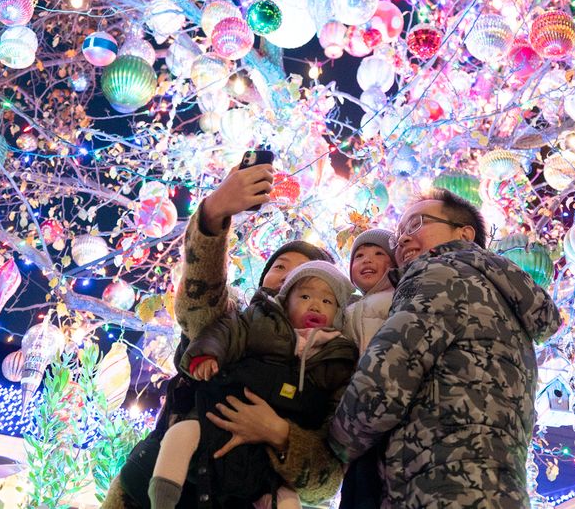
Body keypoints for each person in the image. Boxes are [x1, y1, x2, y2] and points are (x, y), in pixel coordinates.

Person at [103, 164, 349, 509]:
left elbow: (326, 481)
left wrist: (278, 432)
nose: (287, 278)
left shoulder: (336, 359)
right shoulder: (235, 321)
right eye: (280, 267)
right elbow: (197, 304)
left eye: (305, 278)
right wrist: (213, 215)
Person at [329, 189, 563, 508]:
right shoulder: (504, 301)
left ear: (464, 233)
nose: (402, 240)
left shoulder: (441, 272)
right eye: (399, 234)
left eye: (417, 224)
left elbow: (383, 383)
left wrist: (331, 444)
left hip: (438, 488)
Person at [149, 261, 359, 509]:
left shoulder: (338, 352)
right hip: (221, 412)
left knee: (287, 497)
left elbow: (332, 416)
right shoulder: (261, 321)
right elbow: (227, 332)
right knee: (181, 434)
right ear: (284, 300)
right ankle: (161, 502)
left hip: (272, 450)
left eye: (327, 302)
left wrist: (286, 433)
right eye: (304, 296)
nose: (315, 305)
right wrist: (206, 355)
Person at [339, 229, 395, 508]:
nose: (367, 260)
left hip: (380, 406)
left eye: (378, 253)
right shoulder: (351, 307)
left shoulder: (395, 298)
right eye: (358, 256)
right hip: (355, 408)